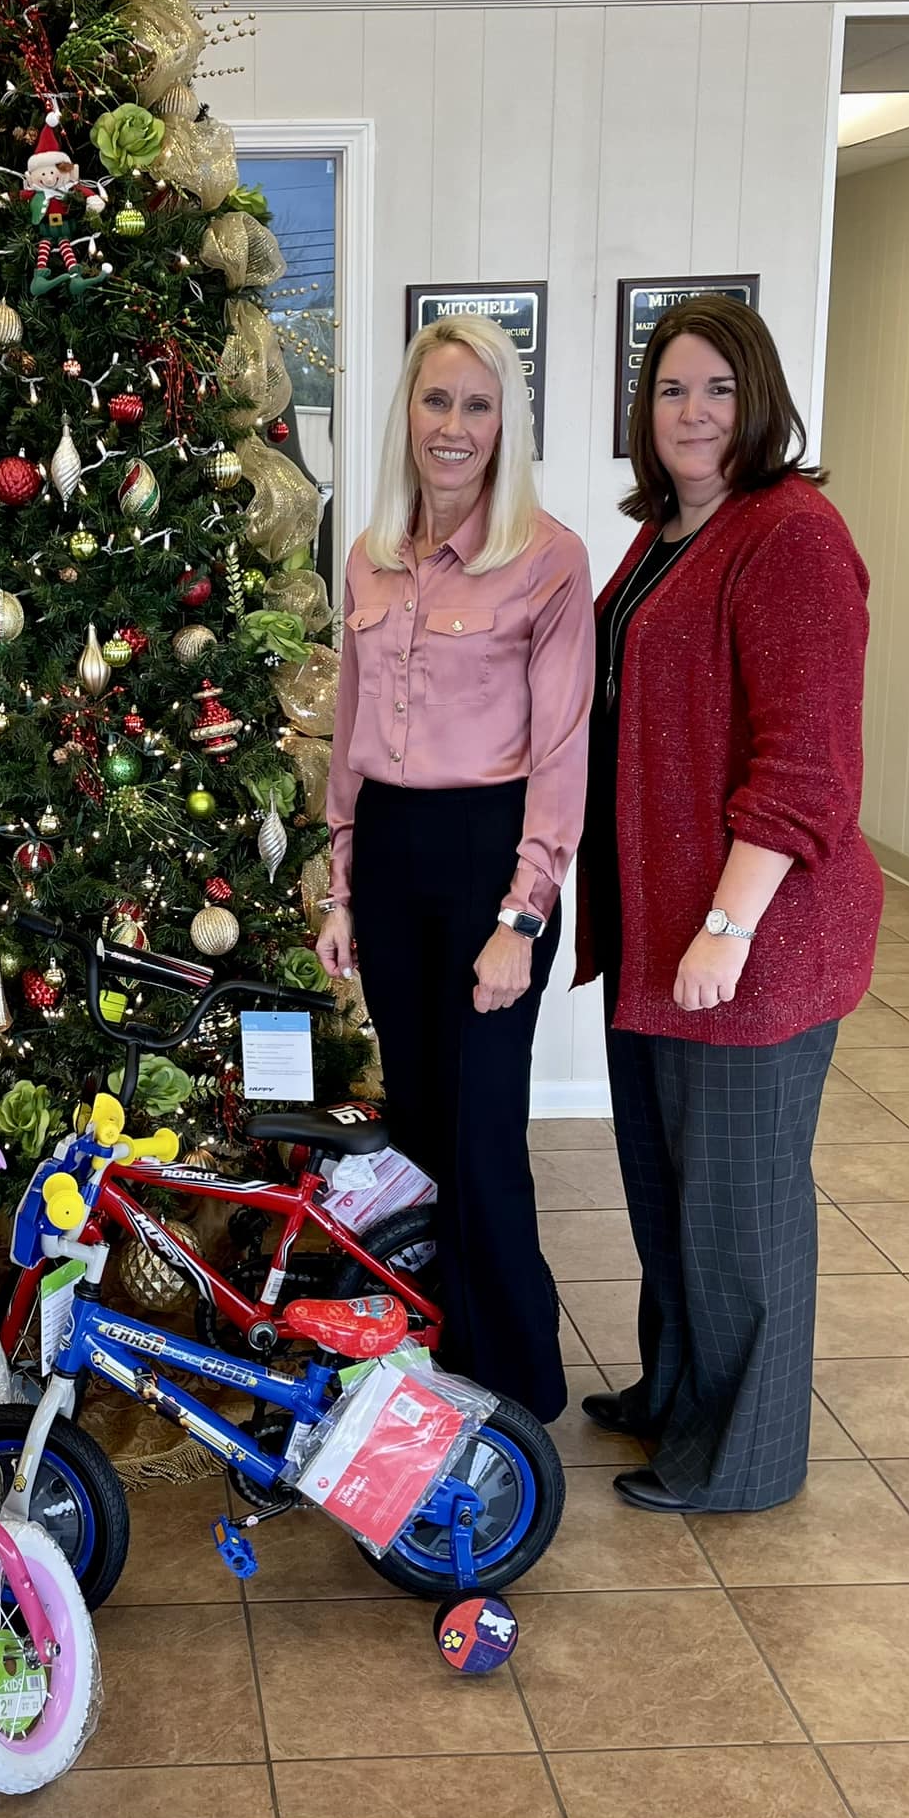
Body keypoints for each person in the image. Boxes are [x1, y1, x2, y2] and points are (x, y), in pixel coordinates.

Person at [575, 296, 879, 1514]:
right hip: (657, 931)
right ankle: (677, 1395)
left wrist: (727, 921)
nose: (690, 411)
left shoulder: (789, 534)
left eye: (715, 387)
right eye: (668, 389)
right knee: (668, 1193)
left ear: (757, 399)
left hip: (749, 941)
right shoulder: (666, 530)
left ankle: (741, 1460)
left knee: (739, 1211)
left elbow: (805, 762)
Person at [318, 314, 592, 1424]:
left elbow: (561, 751)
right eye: (437, 400)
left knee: (481, 1139)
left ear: (505, 425)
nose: (454, 426)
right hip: (389, 853)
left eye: (478, 405)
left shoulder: (548, 558)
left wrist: (522, 917)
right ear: (407, 415)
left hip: (492, 860)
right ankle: (432, 1366)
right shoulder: (368, 554)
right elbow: (347, 733)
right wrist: (340, 889)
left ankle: (515, 1393)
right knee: (423, 1127)